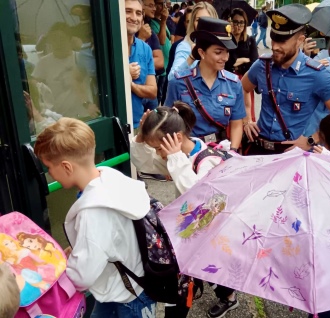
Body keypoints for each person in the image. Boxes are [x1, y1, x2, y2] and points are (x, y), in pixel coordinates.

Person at [34, 118, 156, 318]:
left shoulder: (93, 212)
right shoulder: (110, 179)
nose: (49, 173)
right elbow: (111, 234)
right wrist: (78, 249)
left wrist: (56, 270)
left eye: (49, 167)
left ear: (66, 167)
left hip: (127, 297)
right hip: (128, 285)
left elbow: (83, 275)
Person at [130, 103, 233, 317]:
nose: (158, 153)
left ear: (175, 137)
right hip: (190, 233)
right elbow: (143, 163)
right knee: (193, 275)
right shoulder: (176, 156)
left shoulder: (208, 160)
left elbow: (197, 198)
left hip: (208, 231)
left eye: (158, 148)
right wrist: (140, 138)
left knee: (185, 283)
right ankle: (228, 295)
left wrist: (176, 159)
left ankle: (228, 295)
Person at [241, 4, 330, 155]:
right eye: (274, 39)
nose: (275, 47)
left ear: (300, 40)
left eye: (282, 41)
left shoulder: (316, 74)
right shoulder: (262, 65)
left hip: (291, 154)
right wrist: (246, 119)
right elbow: (243, 88)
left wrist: (312, 139)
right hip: (257, 149)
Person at [165, 17, 246, 151]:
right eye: (218, 52)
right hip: (189, 153)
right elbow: (168, 124)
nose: (225, 58)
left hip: (221, 152)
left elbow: (237, 123)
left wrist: (233, 152)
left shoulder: (234, 84)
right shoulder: (178, 83)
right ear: (202, 52)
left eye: (227, 52)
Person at [31, 22, 99, 120]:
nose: (58, 42)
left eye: (61, 38)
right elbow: (34, 84)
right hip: (59, 116)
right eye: (54, 38)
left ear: (70, 39)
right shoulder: (44, 62)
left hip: (84, 114)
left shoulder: (80, 58)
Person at [126, 0, 158, 130]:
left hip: (135, 126)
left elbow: (152, 91)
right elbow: (79, 80)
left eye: (138, 13)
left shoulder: (145, 48)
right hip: (109, 128)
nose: (134, 18)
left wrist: (130, 84)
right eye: (128, 11)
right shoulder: (102, 46)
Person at [167, 1, 218, 81]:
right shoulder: (185, 46)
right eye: (198, 20)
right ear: (193, 22)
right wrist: (191, 57)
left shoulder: (219, 45)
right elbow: (172, 78)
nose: (203, 24)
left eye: (207, 20)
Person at [226, 8, 258, 121]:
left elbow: (254, 64)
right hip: (228, 81)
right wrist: (245, 59)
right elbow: (227, 63)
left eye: (241, 22)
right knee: (231, 113)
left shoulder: (250, 41)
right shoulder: (226, 41)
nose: (238, 25)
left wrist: (239, 64)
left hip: (246, 80)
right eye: (235, 22)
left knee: (247, 113)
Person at [150, 0, 172, 104]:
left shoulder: (159, 21)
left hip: (166, 65)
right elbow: (161, 41)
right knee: (158, 97)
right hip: (160, 70)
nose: (162, 7)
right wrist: (163, 21)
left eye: (163, 3)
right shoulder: (151, 22)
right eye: (159, 4)